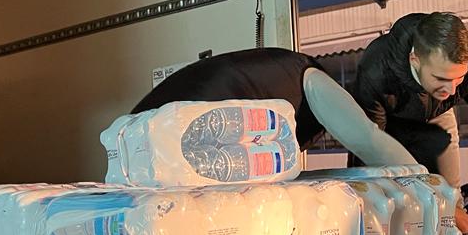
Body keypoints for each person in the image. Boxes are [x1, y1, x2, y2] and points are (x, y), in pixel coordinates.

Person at [352, 12, 468, 229]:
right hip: (387, 124)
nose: (451, 90)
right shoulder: (376, 67)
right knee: (391, 205)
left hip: (439, 115)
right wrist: (442, 204)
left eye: (459, 79)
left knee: (452, 200)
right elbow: (370, 149)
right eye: (441, 78)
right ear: (415, 60)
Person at [131, 47, 419, 168]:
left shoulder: (293, 81)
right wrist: (425, 184)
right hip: (177, 130)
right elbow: (366, 138)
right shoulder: (313, 80)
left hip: (142, 131)